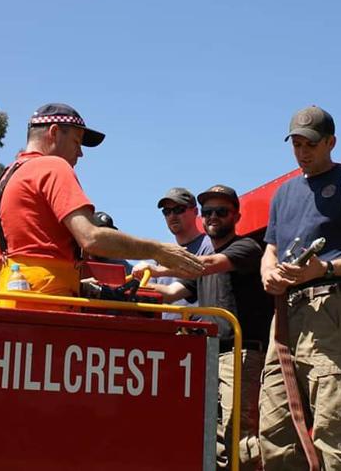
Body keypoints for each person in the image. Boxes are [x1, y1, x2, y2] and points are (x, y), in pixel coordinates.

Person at [258, 105, 341, 470]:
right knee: (274, 428)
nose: (302, 152)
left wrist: (327, 268)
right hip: (285, 316)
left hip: (331, 311)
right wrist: (268, 272)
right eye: (297, 144)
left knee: (331, 427)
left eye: (311, 144)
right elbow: (270, 249)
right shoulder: (284, 193)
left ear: (331, 142)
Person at [0, 102, 203, 310]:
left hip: (10, 304)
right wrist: (158, 250)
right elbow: (91, 238)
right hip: (51, 310)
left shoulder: (1, 184)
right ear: (53, 132)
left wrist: (77, 285)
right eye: (76, 142)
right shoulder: (52, 166)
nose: (80, 153)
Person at [136, 185, 273, 471]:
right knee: (213, 437)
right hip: (210, 357)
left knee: (240, 437)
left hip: (241, 356)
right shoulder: (199, 266)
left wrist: (159, 266)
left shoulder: (246, 248)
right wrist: (133, 287)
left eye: (221, 211)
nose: (213, 217)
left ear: (236, 215)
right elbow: (173, 293)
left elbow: (207, 264)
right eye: (208, 211)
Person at [155, 187, 213, 319]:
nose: (172, 216)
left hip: (196, 334)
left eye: (178, 210)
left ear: (196, 211)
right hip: (166, 335)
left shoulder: (210, 247)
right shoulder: (161, 255)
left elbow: (171, 293)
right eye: (167, 212)